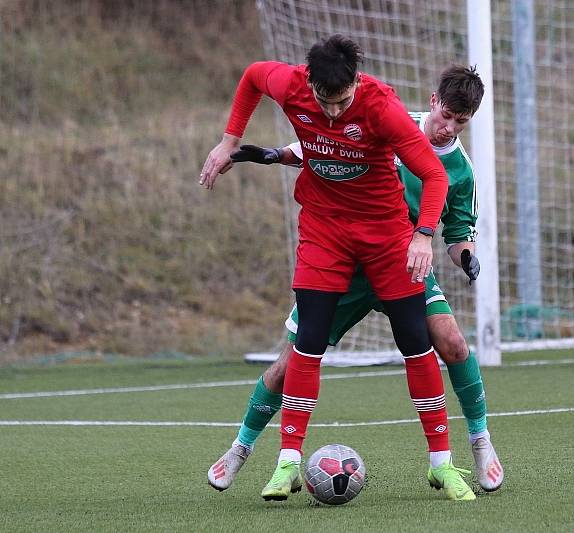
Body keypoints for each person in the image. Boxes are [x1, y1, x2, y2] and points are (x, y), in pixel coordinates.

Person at [200, 35, 475, 501]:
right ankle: (286, 462)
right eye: (327, 102)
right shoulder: (289, 85)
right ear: (310, 84)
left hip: (385, 235)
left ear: (354, 84)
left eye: (343, 100)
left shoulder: (381, 108)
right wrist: (229, 142)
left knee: (417, 342)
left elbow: (435, 173)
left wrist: (423, 234)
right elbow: (251, 76)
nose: (333, 112)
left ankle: (443, 464)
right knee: (305, 346)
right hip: (325, 232)